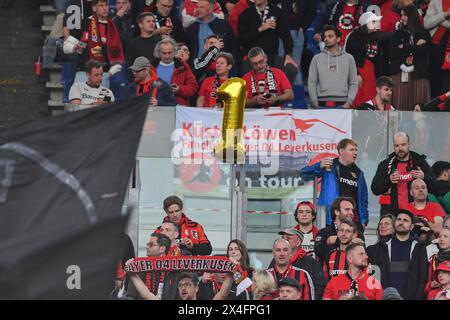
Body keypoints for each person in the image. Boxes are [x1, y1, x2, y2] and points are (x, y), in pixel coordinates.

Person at [301, 138, 369, 228]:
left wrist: (364, 220)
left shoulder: (359, 173)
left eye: (356, 150)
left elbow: (364, 199)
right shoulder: (329, 166)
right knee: (330, 241)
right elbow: (304, 174)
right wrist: (319, 166)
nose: (355, 153)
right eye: (351, 150)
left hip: (353, 219)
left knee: (355, 242)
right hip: (331, 217)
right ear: (341, 151)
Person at [367, 209, 428, 299]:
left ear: (411, 227)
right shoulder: (382, 246)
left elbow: (422, 276)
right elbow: (374, 276)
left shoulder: (419, 247)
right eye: (399, 219)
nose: (401, 222)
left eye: (405, 220)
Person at [371, 131, 437, 212]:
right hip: (393, 214)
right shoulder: (386, 164)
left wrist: (424, 177)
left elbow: (435, 187)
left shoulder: (420, 162)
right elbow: (375, 189)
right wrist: (389, 180)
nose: (400, 148)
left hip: (417, 213)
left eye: (403, 144)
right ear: (393, 147)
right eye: (397, 145)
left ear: (409, 145)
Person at [237, 0, 298, 83]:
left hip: (271, 56)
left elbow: (286, 36)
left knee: (291, 69)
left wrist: (288, 54)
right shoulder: (245, 14)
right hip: (252, 58)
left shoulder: (277, 12)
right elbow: (242, 40)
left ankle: (279, 93)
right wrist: (260, 29)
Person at [387, 5, 431, 111]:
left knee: (418, 111)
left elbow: (423, 51)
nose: (402, 18)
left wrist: (406, 47)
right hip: (399, 74)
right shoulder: (397, 34)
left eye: (405, 15)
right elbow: (393, 52)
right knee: (399, 108)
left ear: (412, 16)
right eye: (401, 15)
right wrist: (415, 47)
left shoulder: (423, 33)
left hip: (419, 75)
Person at [308, 24, 358, 109]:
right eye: (325, 37)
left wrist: (349, 102)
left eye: (330, 36)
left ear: (338, 39)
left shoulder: (349, 58)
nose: (326, 39)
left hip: (343, 104)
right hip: (321, 105)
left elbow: (353, 82)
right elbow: (311, 82)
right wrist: (314, 102)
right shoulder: (317, 58)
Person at [268, 228, 327, 299]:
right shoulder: (275, 260)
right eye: (283, 238)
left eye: (288, 238)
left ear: (298, 242)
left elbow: (319, 288)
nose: (284, 240)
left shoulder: (310, 262)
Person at [345, 12, 386, 108]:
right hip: (360, 71)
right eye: (373, 21)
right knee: (359, 99)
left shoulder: (375, 37)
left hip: (371, 73)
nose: (376, 24)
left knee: (370, 98)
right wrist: (356, 74)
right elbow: (349, 56)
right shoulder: (354, 36)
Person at [273, 0, 317, 85]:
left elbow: (312, 10)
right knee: (280, 64)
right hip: (281, 32)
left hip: (296, 32)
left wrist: (302, 27)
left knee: (295, 65)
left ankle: (297, 95)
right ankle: (280, 91)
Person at [124, 233, 179, 300]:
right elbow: (131, 295)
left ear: (162, 249)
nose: (147, 247)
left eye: (151, 245)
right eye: (147, 244)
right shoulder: (140, 267)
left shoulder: (173, 270)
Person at [314, 197, 365, 266]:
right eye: (347, 209)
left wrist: (336, 240)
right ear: (336, 212)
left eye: (352, 210)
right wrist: (348, 241)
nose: (351, 212)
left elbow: (362, 253)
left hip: (351, 274)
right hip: (329, 275)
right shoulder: (324, 232)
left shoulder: (357, 232)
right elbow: (319, 251)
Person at [151, 38, 199, 106]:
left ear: (174, 51)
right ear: (158, 52)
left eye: (169, 53)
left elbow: (193, 88)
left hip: (178, 108)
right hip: (154, 107)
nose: (167, 56)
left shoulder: (183, 67)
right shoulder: (151, 67)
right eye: (164, 53)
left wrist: (179, 89)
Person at [125, 12, 162, 81]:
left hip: (158, 80)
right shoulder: (133, 44)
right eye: (148, 21)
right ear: (140, 25)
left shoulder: (160, 41)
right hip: (140, 82)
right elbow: (129, 66)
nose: (152, 23)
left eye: (153, 21)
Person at [424, 0, 450, 97]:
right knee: (435, 80)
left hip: (448, 48)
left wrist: (440, 21)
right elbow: (426, 24)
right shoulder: (435, 1)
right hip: (435, 47)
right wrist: (444, 15)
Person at [425, 228, 450, 293]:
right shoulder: (433, 259)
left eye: (445, 236)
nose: (441, 239)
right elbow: (426, 283)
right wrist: (430, 285)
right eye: (440, 236)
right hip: (435, 295)